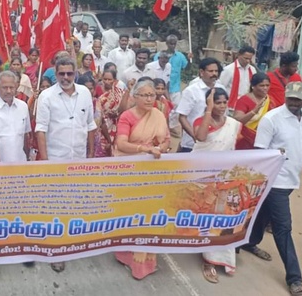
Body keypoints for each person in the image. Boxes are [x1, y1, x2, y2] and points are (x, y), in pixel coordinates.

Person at [242, 82, 302, 296]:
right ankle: (295, 279)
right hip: (275, 181)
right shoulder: (272, 119)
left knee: (263, 213)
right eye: (291, 98)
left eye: (298, 99)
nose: (294, 103)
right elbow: (261, 151)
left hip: (291, 180)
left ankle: (248, 242)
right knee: (283, 227)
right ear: (286, 97)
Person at [35, 57, 96, 272]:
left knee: (74, 203)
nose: (66, 78)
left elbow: (90, 125)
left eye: (70, 73)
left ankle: (71, 242)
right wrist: (45, 161)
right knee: (55, 207)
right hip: (55, 159)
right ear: (55, 74)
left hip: (78, 159)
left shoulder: (85, 93)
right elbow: (40, 129)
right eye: (62, 74)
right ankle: (55, 250)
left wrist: (90, 154)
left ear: (75, 74)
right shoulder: (46, 96)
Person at [114, 79, 170, 280]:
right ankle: (127, 256)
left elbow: (167, 140)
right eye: (145, 95)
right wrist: (144, 149)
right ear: (135, 97)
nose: (149, 99)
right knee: (132, 215)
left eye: (152, 95)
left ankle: (146, 260)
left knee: (150, 216)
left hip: (153, 172)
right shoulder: (127, 117)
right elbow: (121, 144)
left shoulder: (159, 115)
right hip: (130, 171)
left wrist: (160, 149)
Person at [192, 88, 241, 283]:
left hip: (224, 177)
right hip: (200, 176)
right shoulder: (201, 121)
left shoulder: (233, 124)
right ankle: (205, 256)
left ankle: (213, 259)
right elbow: (201, 138)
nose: (221, 106)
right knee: (200, 215)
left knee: (220, 217)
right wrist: (208, 110)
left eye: (223, 102)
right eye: (216, 102)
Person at [176, 58, 225, 152]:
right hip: (193, 144)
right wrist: (194, 136)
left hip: (216, 142)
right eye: (210, 71)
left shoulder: (221, 88)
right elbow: (182, 117)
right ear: (202, 72)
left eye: (216, 71)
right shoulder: (191, 91)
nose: (214, 74)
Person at [0, 71, 32, 162]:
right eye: (5, 88)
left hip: (20, 163)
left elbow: (25, 136)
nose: (9, 91)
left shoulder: (23, 106)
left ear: (17, 87)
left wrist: (27, 157)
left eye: (11, 87)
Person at [233, 73, 273, 150]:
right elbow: (237, 120)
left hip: (263, 140)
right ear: (253, 86)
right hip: (244, 140)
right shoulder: (244, 100)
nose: (265, 88)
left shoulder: (270, 100)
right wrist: (254, 112)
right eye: (261, 85)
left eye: (267, 85)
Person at [154, 34, 190, 113]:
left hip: (175, 88)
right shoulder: (159, 55)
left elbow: (186, 68)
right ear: (166, 43)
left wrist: (189, 59)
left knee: (176, 110)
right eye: (170, 43)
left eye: (174, 44)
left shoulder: (180, 56)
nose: (172, 46)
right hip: (161, 89)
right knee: (162, 109)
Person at [95, 69, 125, 157]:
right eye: (105, 79)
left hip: (117, 125)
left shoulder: (119, 92)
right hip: (102, 126)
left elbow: (125, 108)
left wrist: (117, 114)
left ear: (115, 80)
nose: (107, 82)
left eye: (109, 79)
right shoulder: (97, 90)